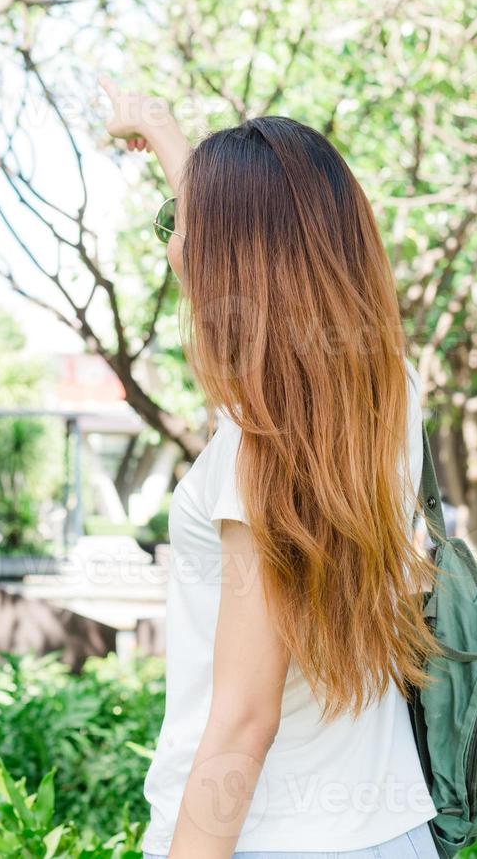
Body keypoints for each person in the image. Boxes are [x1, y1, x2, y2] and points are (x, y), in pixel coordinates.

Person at [101, 79, 442, 859]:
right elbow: (265, 229)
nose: (170, 246)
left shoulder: (259, 450)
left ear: (231, 260)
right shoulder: (384, 387)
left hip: (263, 839)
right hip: (389, 833)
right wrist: (162, 131)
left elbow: (243, 724)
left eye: (179, 229)